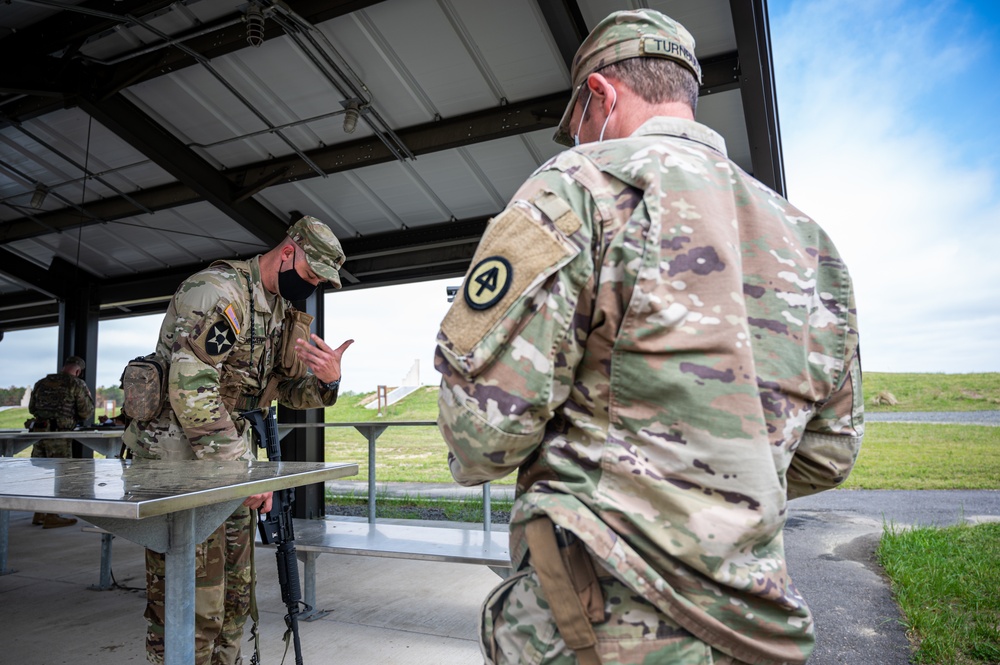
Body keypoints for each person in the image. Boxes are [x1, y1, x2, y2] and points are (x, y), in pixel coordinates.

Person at [434, 10, 863, 665]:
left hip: (604, 626)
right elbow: (829, 454)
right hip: (758, 632)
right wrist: (719, 494)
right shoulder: (812, 244)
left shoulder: (583, 187)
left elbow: (480, 437)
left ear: (600, 95)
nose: (578, 141)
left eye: (578, 123)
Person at [122, 215, 354, 665]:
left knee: (233, 602)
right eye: (309, 274)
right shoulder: (219, 292)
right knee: (189, 608)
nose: (310, 287)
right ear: (288, 251)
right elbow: (190, 389)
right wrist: (245, 473)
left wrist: (328, 382)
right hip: (181, 470)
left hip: (227, 466)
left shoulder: (280, 309)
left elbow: (279, 390)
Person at [28, 355, 95, 528]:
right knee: (60, 475)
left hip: (39, 433)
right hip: (59, 435)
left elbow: (32, 408)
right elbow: (86, 412)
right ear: (78, 371)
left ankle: (39, 513)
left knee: (41, 474)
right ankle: (53, 515)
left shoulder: (41, 383)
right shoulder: (76, 384)